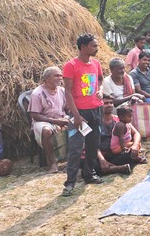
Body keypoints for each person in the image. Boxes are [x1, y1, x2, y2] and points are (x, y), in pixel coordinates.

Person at [62, 33, 105, 196]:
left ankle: (90, 174)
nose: (96, 48)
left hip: (96, 109)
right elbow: (67, 91)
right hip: (79, 113)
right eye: (94, 45)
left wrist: (100, 90)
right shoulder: (71, 65)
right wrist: (76, 115)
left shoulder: (96, 64)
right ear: (83, 47)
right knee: (76, 147)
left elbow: (100, 80)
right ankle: (70, 182)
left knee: (93, 144)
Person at [27, 66, 70, 172]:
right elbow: (35, 115)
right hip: (43, 120)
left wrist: (72, 117)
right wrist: (55, 121)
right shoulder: (37, 93)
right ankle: (53, 163)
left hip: (61, 117)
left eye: (61, 75)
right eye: (56, 75)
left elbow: (66, 109)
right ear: (47, 79)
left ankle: (78, 158)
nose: (60, 78)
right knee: (46, 131)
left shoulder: (62, 91)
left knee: (82, 125)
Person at [97, 95, 134, 175]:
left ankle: (111, 168)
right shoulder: (95, 122)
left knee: (130, 153)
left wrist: (136, 146)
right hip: (103, 155)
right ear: (98, 105)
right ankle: (118, 168)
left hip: (117, 153)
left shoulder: (120, 119)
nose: (109, 105)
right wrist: (102, 160)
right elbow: (91, 144)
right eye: (106, 103)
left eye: (111, 103)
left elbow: (136, 133)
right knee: (89, 168)